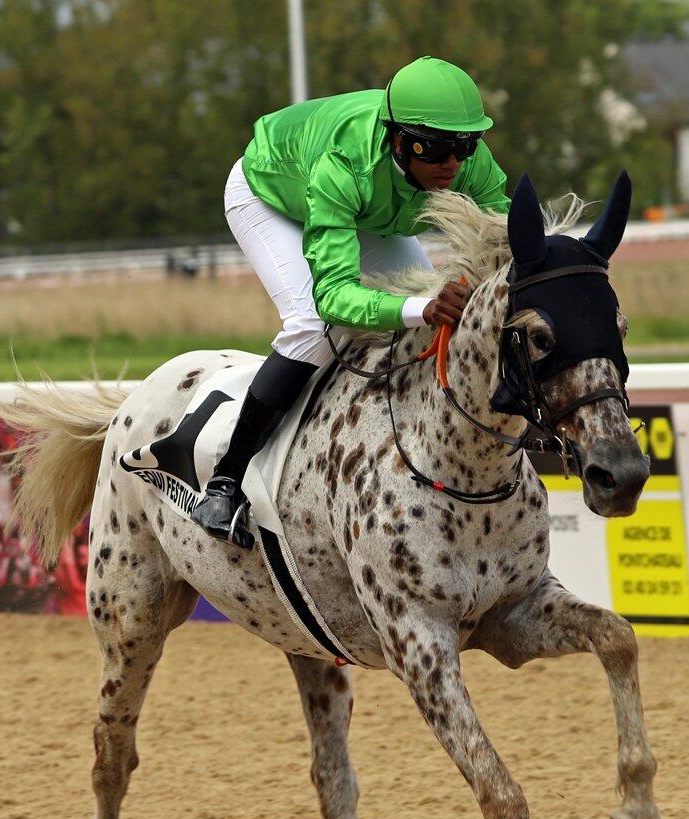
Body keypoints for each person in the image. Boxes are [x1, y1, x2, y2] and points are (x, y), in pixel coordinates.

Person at [190, 56, 511, 548]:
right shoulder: (344, 163)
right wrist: (422, 307)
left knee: (432, 308)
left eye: (465, 146)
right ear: (399, 139)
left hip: (367, 210)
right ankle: (226, 481)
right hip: (271, 196)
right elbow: (334, 296)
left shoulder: (468, 165)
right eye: (436, 148)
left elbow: (506, 244)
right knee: (312, 324)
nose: (452, 163)